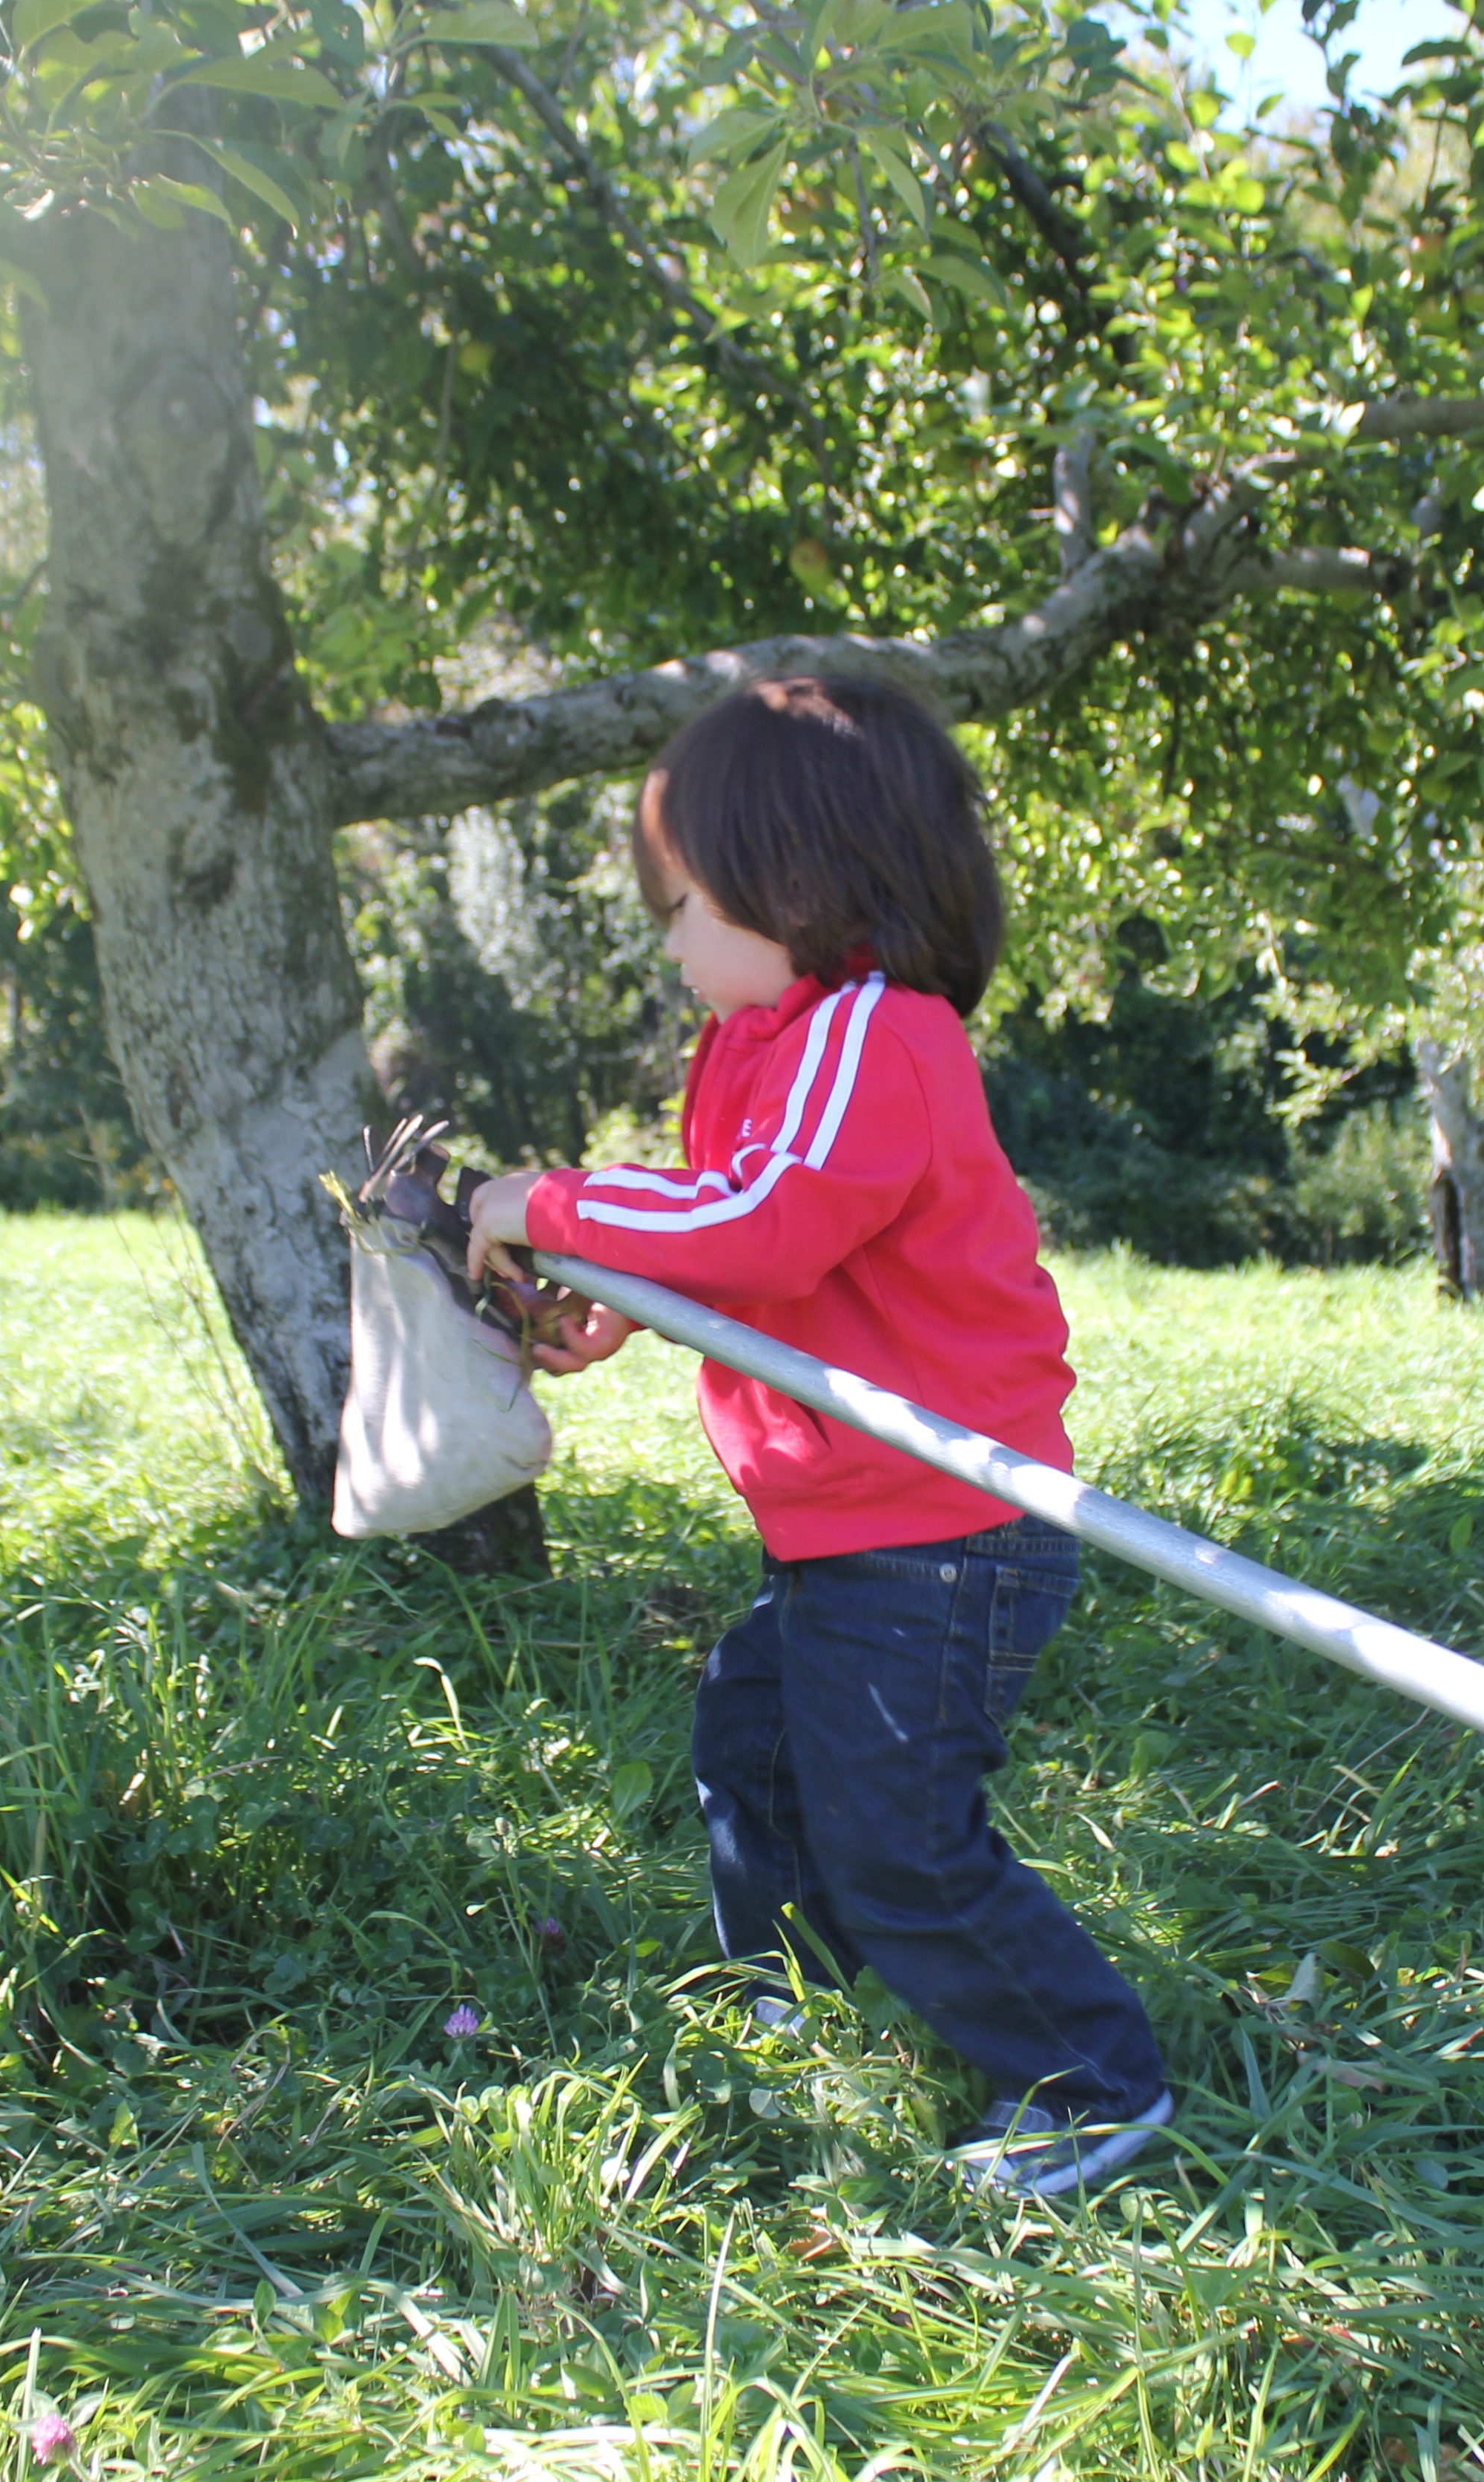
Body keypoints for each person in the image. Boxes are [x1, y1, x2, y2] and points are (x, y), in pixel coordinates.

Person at [465, 673, 1175, 2200]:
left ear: (793, 879)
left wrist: (553, 1204)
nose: (667, 941)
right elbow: (764, 1248)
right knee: (756, 1740)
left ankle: (1091, 2080)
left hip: (942, 1529)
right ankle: (786, 1986)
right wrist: (624, 1305)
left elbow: (771, 1224)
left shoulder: (876, 1034)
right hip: (851, 1524)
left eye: (679, 905)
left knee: (900, 1833)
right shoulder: (771, 1045)